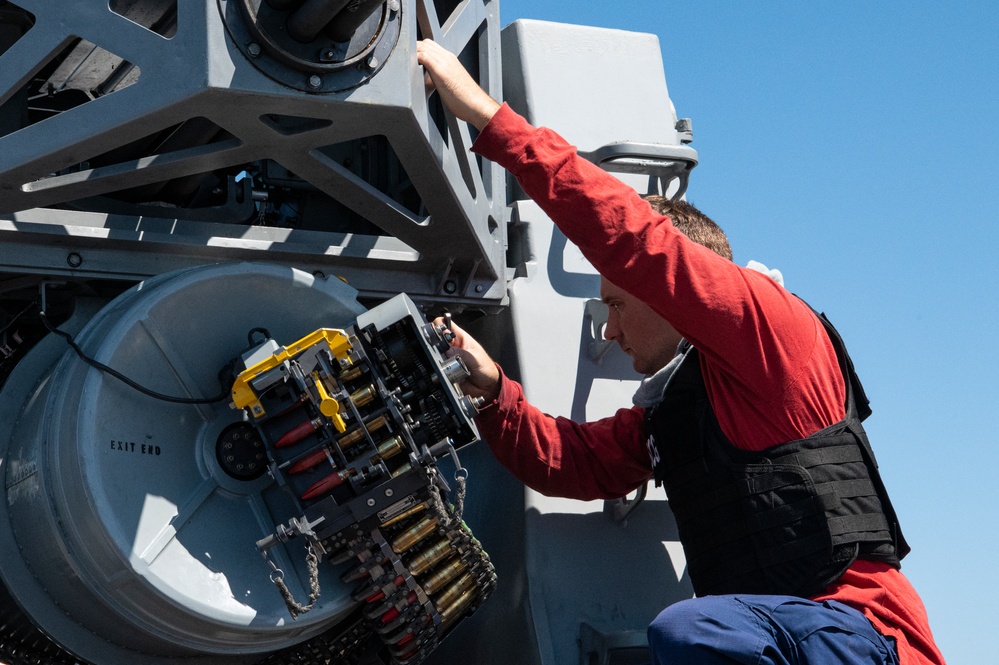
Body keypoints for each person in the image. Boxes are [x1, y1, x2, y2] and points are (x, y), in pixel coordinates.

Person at [416, 39, 945, 665]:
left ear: (668, 293)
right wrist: (494, 393)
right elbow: (574, 462)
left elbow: (637, 243)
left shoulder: (771, 335)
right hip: (773, 639)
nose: (609, 331)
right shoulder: (678, 416)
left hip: (862, 637)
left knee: (693, 632)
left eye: (616, 304)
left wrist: (486, 118)